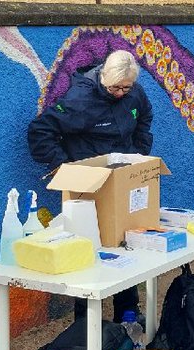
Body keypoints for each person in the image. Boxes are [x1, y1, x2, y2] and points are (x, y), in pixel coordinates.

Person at [26, 49, 153, 321]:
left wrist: (139, 151)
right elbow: (40, 131)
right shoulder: (80, 100)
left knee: (127, 247)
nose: (121, 93)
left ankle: (128, 313)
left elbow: (144, 116)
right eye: (116, 88)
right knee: (87, 252)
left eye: (126, 88)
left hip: (122, 181)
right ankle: (84, 322)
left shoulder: (135, 93)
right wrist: (64, 167)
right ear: (104, 78)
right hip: (87, 188)